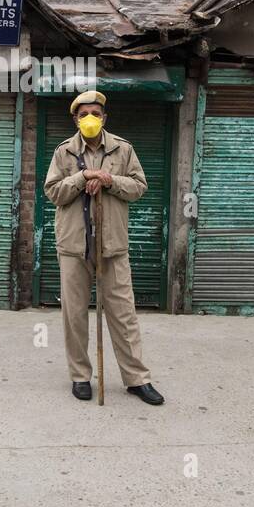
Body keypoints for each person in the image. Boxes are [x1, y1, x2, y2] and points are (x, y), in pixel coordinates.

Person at [43, 90, 164, 405]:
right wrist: (83, 177)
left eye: (95, 113)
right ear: (76, 119)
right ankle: (80, 376)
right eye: (83, 114)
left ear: (104, 117)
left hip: (112, 246)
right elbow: (54, 192)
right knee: (74, 315)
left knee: (124, 314)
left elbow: (139, 187)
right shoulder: (64, 152)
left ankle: (137, 379)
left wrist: (111, 181)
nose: (90, 119)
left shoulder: (123, 150)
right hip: (73, 246)